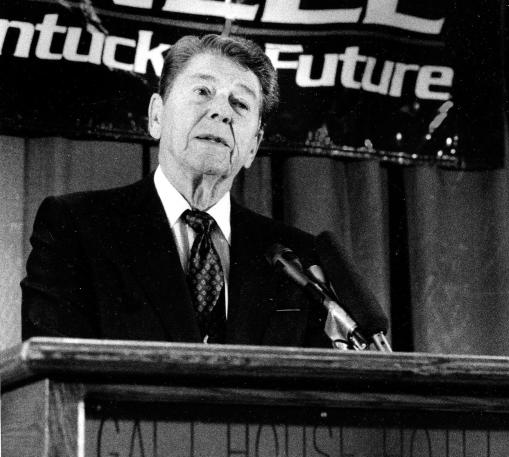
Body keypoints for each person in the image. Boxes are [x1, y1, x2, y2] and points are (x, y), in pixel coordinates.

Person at [21, 34, 332, 346]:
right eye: (202, 91)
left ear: (253, 145)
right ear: (157, 115)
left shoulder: (296, 259)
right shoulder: (76, 227)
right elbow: (55, 372)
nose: (221, 112)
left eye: (239, 103)